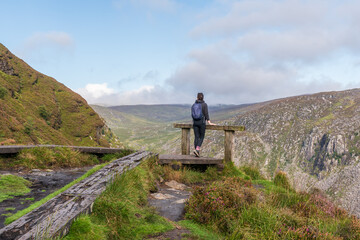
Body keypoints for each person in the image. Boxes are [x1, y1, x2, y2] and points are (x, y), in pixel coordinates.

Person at [192, 92, 215, 157]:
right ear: (203, 98)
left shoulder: (193, 105)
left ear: (197, 97)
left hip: (195, 123)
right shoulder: (204, 105)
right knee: (201, 137)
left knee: (196, 137)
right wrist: (209, 122)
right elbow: (206, 113)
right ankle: (197, 150)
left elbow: (192, 114)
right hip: (202, 123)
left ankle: (196, 152)